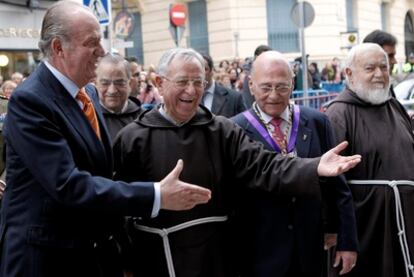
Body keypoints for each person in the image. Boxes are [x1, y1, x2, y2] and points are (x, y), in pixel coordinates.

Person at [0, 3, 212, 277]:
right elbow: (69, 185)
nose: (102, 51)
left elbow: (100, 172)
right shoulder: (31, 100)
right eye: (92, 43)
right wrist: (156, 194)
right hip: (45, 259)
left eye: (101, 41)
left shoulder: (86, 92)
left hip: (90, 253)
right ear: (58, 48)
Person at [112, 47, 361, 277]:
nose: (191, 90)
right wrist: (126, 260)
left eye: (198, 82)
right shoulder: (133, 138)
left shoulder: (221, 130)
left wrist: (314, 166)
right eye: (182, 82)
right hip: (158, 256)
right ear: (159, 83)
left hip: (215, 256)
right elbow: (119, 207)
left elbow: (264, 165)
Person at [232, 51, 358, 277]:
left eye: (281, 87)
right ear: (251, 85)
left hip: (310, 246)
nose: (273, 95)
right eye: (265, 87)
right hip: (260, 251)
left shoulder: (317, 121)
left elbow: (338, 188)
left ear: (292, 84)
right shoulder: (235, 129)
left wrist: (347, 241)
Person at [326, 43, 414, 277]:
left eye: (383, 67)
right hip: (365, 227)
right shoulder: (339, 114)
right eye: (370, 68)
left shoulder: (395, 107)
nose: (379, 74)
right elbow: (331, 185)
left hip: (405, 220)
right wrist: (343, 238)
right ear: (349, 73)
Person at [95, 53, 141, 141]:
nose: (112, 90)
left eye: (119, 83)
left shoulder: (144, 119)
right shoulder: (87, 119)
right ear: (95, 83)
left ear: (129, 83)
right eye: (105, 83)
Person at [201, 54, 246, 118]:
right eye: (196, 69)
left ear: (212, 71)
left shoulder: (234, 98)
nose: (200, 73)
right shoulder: (187, 98)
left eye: (204, 69)